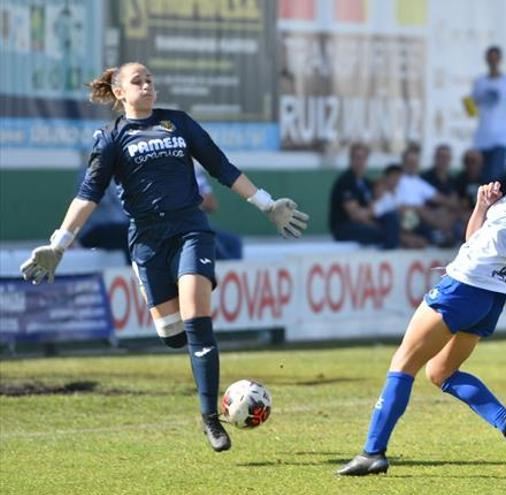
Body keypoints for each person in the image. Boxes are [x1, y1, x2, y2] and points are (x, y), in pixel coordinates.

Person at [19, 63, 309, 452]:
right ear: (119, 92)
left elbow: (222, 167)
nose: (147, 86)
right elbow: (88, 195)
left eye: (150, 80)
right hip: (147, 241)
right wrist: (59, 244)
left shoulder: (179, 124)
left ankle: (210, 419)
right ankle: (196, 360)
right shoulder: (111, 139)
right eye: (138, 81)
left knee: (197, 320)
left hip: (191, 229)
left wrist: (266, 204)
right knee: (175, 336)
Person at [337, 116, 506, 476]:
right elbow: (473, 242)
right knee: (441, 372)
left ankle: (372, 452)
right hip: (489, 298)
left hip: (466, 287)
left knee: (403, 363)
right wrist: (481, 207)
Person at [471, 45, 506, 183]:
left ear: (500, 60)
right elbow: (472, 108)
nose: (493, 62)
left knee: (494, 176)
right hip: (482, 137)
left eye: (495, 59)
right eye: (490, 59)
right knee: (481, 177)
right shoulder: (480, 82)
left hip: (500, 137)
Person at [329, 143, 400, 250]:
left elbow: (376, 202)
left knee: (392, 218)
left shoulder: (366, 183)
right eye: (357, 158)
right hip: (345, 228)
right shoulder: (345, 181)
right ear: (351, 160)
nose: (360, 162)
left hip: (365, 223)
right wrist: (372, 215)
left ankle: (391, 251)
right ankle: (386, 256)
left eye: (363, 158)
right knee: (384, 232)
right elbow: (356, 215)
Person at [195, 166, 243, 260]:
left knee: (234, 242)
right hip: (185, 227)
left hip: (202, 224)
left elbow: (212, 204)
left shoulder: (195, 171)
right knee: (215, 246)